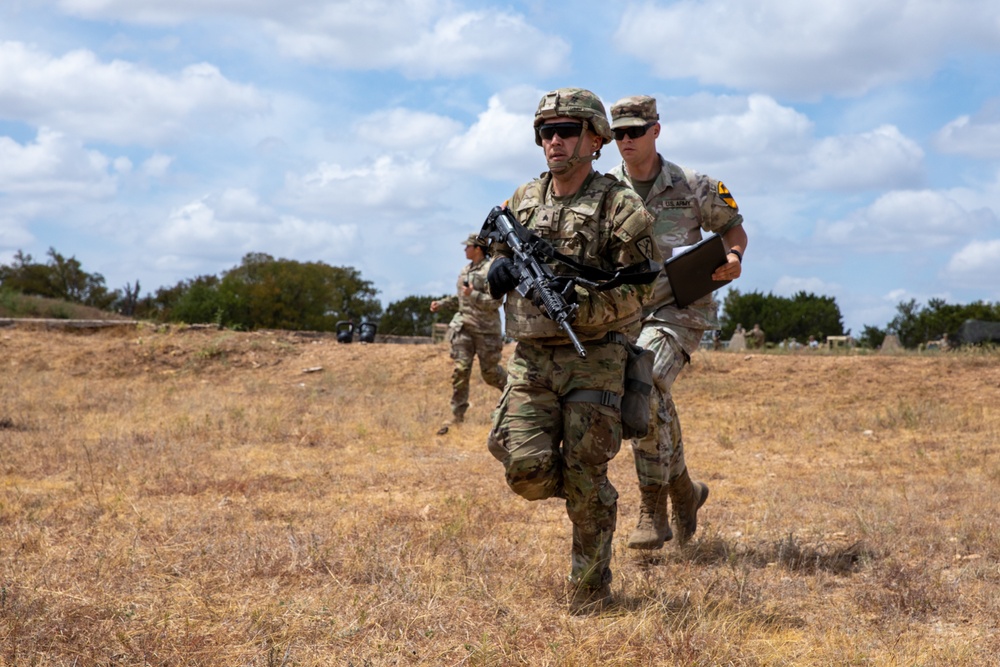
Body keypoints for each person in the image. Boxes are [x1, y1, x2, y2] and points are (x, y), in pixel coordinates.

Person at [484, 88, 661, 614]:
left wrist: (583, 302)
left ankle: (589, 588)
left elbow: (642, 288)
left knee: (585, 472)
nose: (554, 141)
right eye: (546, 132)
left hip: (595, 357)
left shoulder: (619, 204)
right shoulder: (520, 200)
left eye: (566, 131)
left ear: (595, 139)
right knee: (525, 469)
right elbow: (489, 259)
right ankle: (594, 502)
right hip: (532, 356)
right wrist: (493, 273)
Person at [608, 95, 749, 550]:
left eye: (634, 131)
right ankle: (685, 491)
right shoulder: (603, 190)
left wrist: (734, 256)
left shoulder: (693, 186)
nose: (625, 140)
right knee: (651, 401)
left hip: (679, 310)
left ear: (656, 131)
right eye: (618, 134)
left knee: (644, 378)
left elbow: (734, 228)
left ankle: (652, 508)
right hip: (624, 312)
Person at [430, 234, 507, 434]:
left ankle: (514, 399)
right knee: (461, 370)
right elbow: (460, 298)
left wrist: (472, 294)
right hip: (463, 327)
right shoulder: (465, 270)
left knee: (490, 373)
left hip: (486, 330)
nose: (465, 250)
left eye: (468, 247)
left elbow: (496, 301)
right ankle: (457, 416)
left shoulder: (491, 270)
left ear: (478, 248)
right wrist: (442, 304)